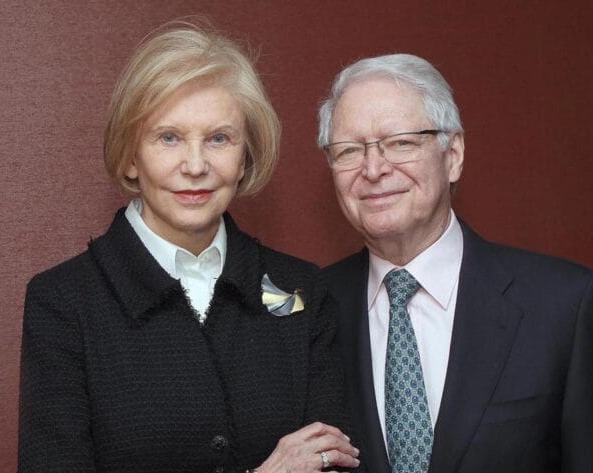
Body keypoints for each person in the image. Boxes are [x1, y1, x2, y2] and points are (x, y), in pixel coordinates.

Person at [18, 23, 361, 473]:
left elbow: (333, 463)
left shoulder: (304, 292)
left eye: (219, 138)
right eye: (169, 138)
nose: (196, 166)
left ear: (245, 158)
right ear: (129, 156)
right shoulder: (63, 304)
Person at [318, 54, 593, 472]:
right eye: (349, 150)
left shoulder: (564, 306)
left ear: (452, 155)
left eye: (400, 142)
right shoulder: (310, 312)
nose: (374, 168)